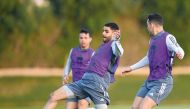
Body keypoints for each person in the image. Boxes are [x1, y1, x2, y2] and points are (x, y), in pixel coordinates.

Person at [43, 22, 124, 109]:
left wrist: (116, 40)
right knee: (53, 96)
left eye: (106, 31)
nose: (103, 33)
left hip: (96, 84)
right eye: (103, 31)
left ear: (115, 33)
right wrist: (66, 74)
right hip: (82, 82)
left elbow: (120, 52)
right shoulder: (102, 46)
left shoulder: (113, 44)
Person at [122, 13, 185, 109]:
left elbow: (180, 50)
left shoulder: (168, 37)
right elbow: (148, 58)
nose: (147, 27)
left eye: (147, 25)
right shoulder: (152, 40)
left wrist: (179, 53)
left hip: (163, 81)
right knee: (134, 107)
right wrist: (131, 68)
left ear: (151, 24)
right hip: (149, 81)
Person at [62, 28, 94, 109]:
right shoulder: (73, 51)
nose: (83, 40)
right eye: (81, 38)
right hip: (74, 86)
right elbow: (68, 65)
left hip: (86, 88)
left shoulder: (93, 54)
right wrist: (65, 75)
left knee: (82, 105)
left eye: (86, 38)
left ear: (90, 39)